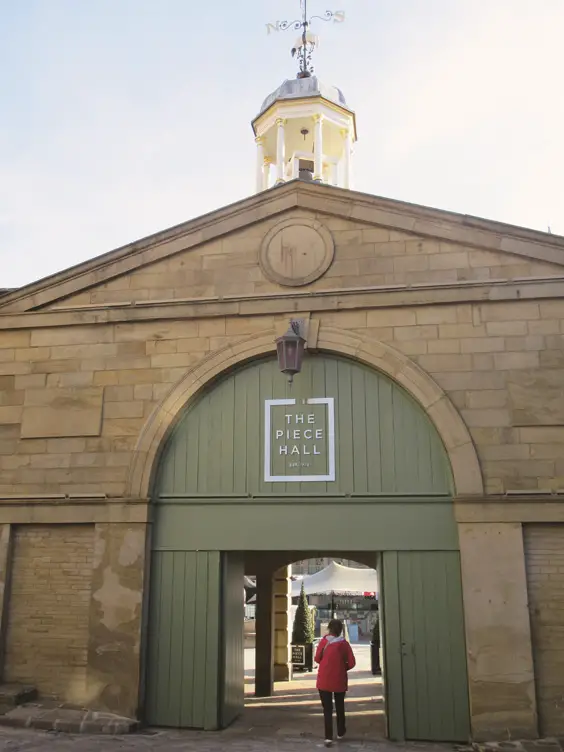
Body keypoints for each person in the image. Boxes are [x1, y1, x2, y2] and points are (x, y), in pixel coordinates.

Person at [315, 618, 356, 747]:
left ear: (329, 628)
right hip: (339, 679)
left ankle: (328, 737)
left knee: (327, 709)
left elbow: (317, 659)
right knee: (340, 706)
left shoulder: (323, 641)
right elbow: (352, 663)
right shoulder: (344, 644)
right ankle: (340, 731)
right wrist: (342, 668)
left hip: (324, 679)